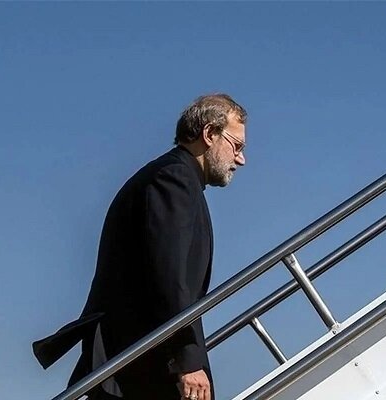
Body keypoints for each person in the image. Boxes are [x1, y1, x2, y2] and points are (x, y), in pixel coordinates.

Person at [32, 94, 247, 400]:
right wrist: (188, 360)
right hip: (139, 367)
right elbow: (170, 278)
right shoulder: (174, 179)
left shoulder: (176, 179)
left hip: (138, 362)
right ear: (210, 133)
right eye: (237, 146)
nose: (240, 159)